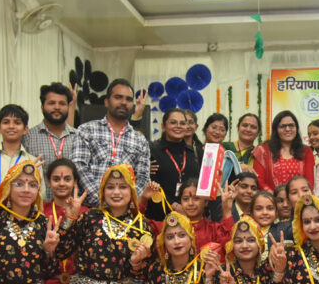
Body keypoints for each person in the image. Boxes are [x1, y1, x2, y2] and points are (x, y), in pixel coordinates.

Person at [56, 165, 153, 284]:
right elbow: (61, 252)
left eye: (122, 187)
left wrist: (136, 262)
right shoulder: (89, 218)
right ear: (102, 191)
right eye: (110, 187)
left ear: (131, 191)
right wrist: (69, 219)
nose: (116, 192)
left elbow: (145, 275)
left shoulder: (141, 227)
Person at [72, 79, 151, 207]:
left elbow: (143, 178)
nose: (123, 102)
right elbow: (79, 167)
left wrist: (124, 203)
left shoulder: (140, 140)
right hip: (90, 209)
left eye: (128, 99)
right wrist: (102, 200)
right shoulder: (86, 130)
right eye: (118, 97)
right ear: (107, 102)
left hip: (125, 211)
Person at [42, 159, 87, 284]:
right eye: (56, 179)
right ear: (48, 182)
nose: (61, 183)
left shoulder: (87, 214)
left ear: (75, 182)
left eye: (67, 179)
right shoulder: (41, 212)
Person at [23, 83, 77, 200]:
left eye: (62, 103)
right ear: (42, 107)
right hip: (38, 207)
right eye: (51, 103)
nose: (57, 107)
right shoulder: (27, 138)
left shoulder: (79, 137)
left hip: (72, 207)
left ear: (68, 107)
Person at [148, 110, 200, 219]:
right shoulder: (151, 150)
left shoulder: (193, 152)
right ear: (163, 126)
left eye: (182, 123)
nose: (178, 126)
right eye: (173, 122)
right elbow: (149, 184)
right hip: (159, 215)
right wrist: (174, 206)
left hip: (189, 214)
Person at [252, 111, 315, 192]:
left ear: (296, 128)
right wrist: (276, 197)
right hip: (270, 198)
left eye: (291, 125)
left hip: (300, 198)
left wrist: (297, 196)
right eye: (283, 126)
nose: (287, 129)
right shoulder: (263, 151)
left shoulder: (306, 151)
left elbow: (309, 182)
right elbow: (259, 181)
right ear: (276, 129)